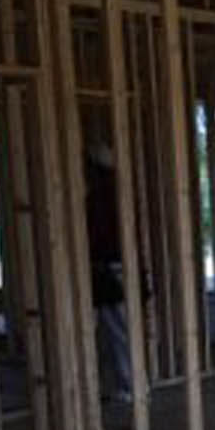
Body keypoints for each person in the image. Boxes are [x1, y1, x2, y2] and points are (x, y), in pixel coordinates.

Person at [85, 142, 132, 403]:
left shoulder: (102, 198)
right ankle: (125, 384)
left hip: (111, 268)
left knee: (118, 329)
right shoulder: (116, 195)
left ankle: (130, 386)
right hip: (117, 267)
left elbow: (100, 235)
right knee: (118, 329)